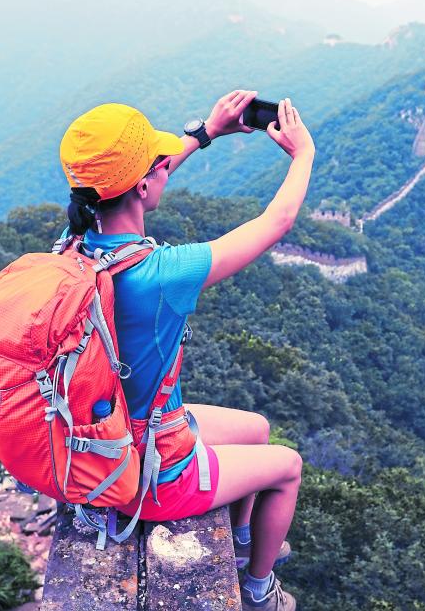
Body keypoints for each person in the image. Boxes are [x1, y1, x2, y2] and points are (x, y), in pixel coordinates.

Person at [59, 90, 315, 611]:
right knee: (287, 466)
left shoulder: (73, 244)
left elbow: (139, 176)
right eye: (160, 163)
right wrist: (305, 154)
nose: (166, 165)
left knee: (257, 429)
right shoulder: (159, 274)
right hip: (151, 473)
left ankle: (243, 541)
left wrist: (206, 134)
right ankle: (261, 589)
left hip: (114, 430)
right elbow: (275, 223)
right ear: (146, 183)